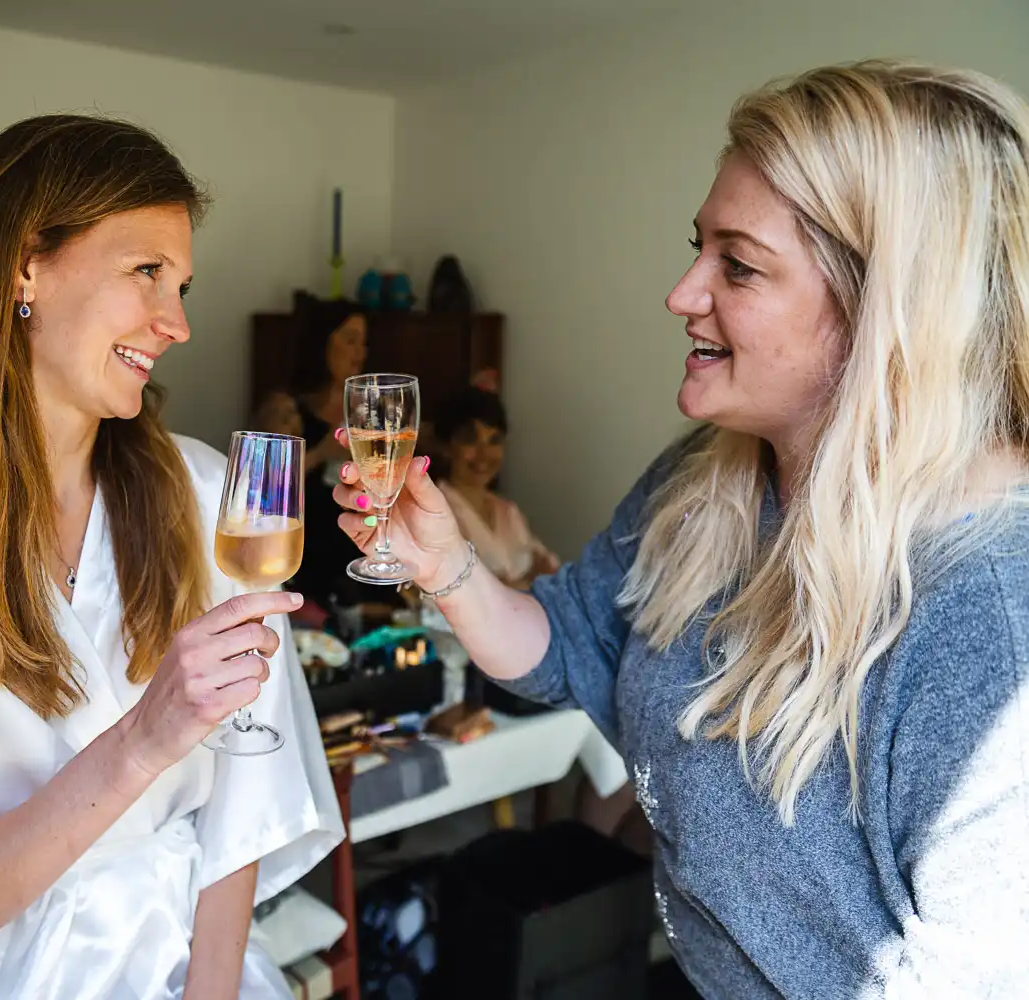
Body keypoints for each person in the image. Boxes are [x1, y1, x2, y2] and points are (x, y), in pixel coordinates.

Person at [333, 61, 1029, 996]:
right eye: (698, 247)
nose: (682, 292)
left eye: (737, 265)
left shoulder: (991, 616)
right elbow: (569, 645)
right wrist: (450, 566)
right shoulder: (704, 480)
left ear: (885, 313)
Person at [0, 115, 343, 1000]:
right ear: (24, 265)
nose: (178, 323)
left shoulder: (209, 497)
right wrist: (142, 744)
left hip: (191, 966)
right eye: (147, 272)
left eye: (183, 283)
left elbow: (245, 798)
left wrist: (210, 993)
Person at [434, 387, 559, 590]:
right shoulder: (434, 511)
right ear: (447, 447)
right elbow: (461, 591)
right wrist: (527, 582)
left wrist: (509, 584)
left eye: (494, 441)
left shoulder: (509, 512)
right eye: (470, 440)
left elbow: (553, 575)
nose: (484, 454)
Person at [288, 299, 370, 604]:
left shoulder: (368, 413)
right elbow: (263, 490)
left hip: (363, 555)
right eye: (350, 340)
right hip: (308, 567)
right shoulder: (288, 410)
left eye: (364, 343)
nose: (360, 352)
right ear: (322, 344)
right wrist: (321, 452)